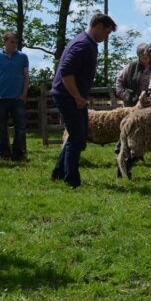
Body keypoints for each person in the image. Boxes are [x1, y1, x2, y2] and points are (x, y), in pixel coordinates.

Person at [50, 13, 117, 188]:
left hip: (70, 95)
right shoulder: (83, 44)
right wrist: (77, 97)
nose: (107, 36)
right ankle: (72, 180)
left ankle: (58, 172)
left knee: (78, 134)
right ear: (99, 26)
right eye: (107, 32)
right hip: (67, 96)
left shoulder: (87, 42)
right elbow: (66, 72)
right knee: (78, 138)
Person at [0, 32, 29, 161]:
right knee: (1, 128)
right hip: (1, 98)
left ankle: (18, 153)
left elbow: (26, 76)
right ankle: (4, 152)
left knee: (21, 128)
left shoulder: (23, 57)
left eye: (16, 42)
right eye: (12, 42)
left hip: (18, 98)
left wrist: (24, 94)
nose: (14, 44)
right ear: (4, 42)